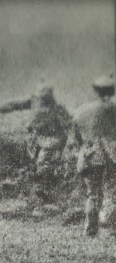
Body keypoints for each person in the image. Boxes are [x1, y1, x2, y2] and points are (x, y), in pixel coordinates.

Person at [0, 81, 72, 204]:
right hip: (36, 138)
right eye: (40, 99)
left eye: (44, 100)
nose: (41, 102)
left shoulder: (58, 109)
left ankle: (41, 194)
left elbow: (69, 125)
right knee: (35, 163)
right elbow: (12, 104)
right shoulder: (33, 102)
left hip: (52, 139)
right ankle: (38, 188)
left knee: (44, 163)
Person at [67, 75, 116, 237]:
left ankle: (90, 230)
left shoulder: (81, 111)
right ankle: (112, 228)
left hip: (88, 155)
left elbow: (74, 139)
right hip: (110, 155)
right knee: (112, 191)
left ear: (96, 90)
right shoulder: (112, 108)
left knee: (92, 193)